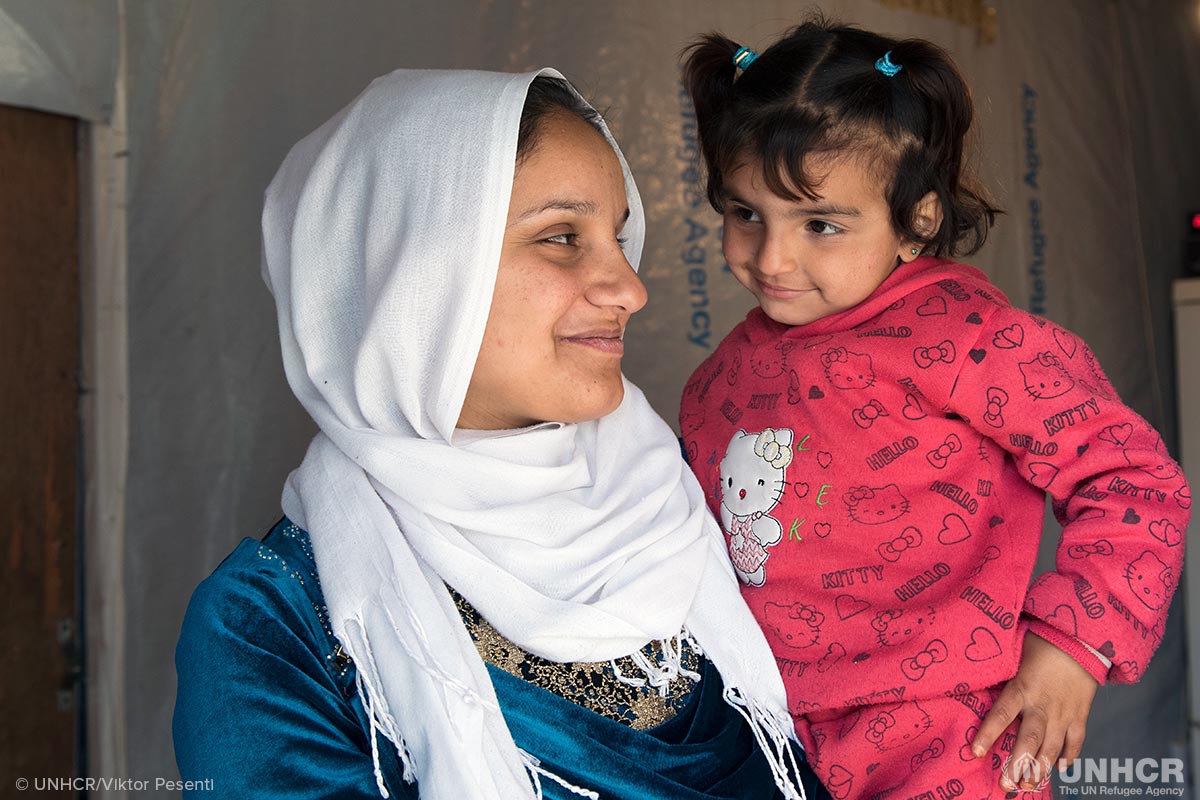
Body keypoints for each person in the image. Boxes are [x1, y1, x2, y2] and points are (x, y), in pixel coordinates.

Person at [173, 67, 834, 800]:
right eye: (560, 237)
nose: (629, 288)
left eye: (616, 237)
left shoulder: (687, 490)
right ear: (411, 268)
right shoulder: (273, 628)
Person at [678, 17, 1189, 800]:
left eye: (820, 224)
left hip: (950, 736)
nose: (772, 257)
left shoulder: (973, 342)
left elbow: (1135, 482)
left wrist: (1075, 646)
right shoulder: (715, 385)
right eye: (747, 213)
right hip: (770, 738)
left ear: (916, 219)